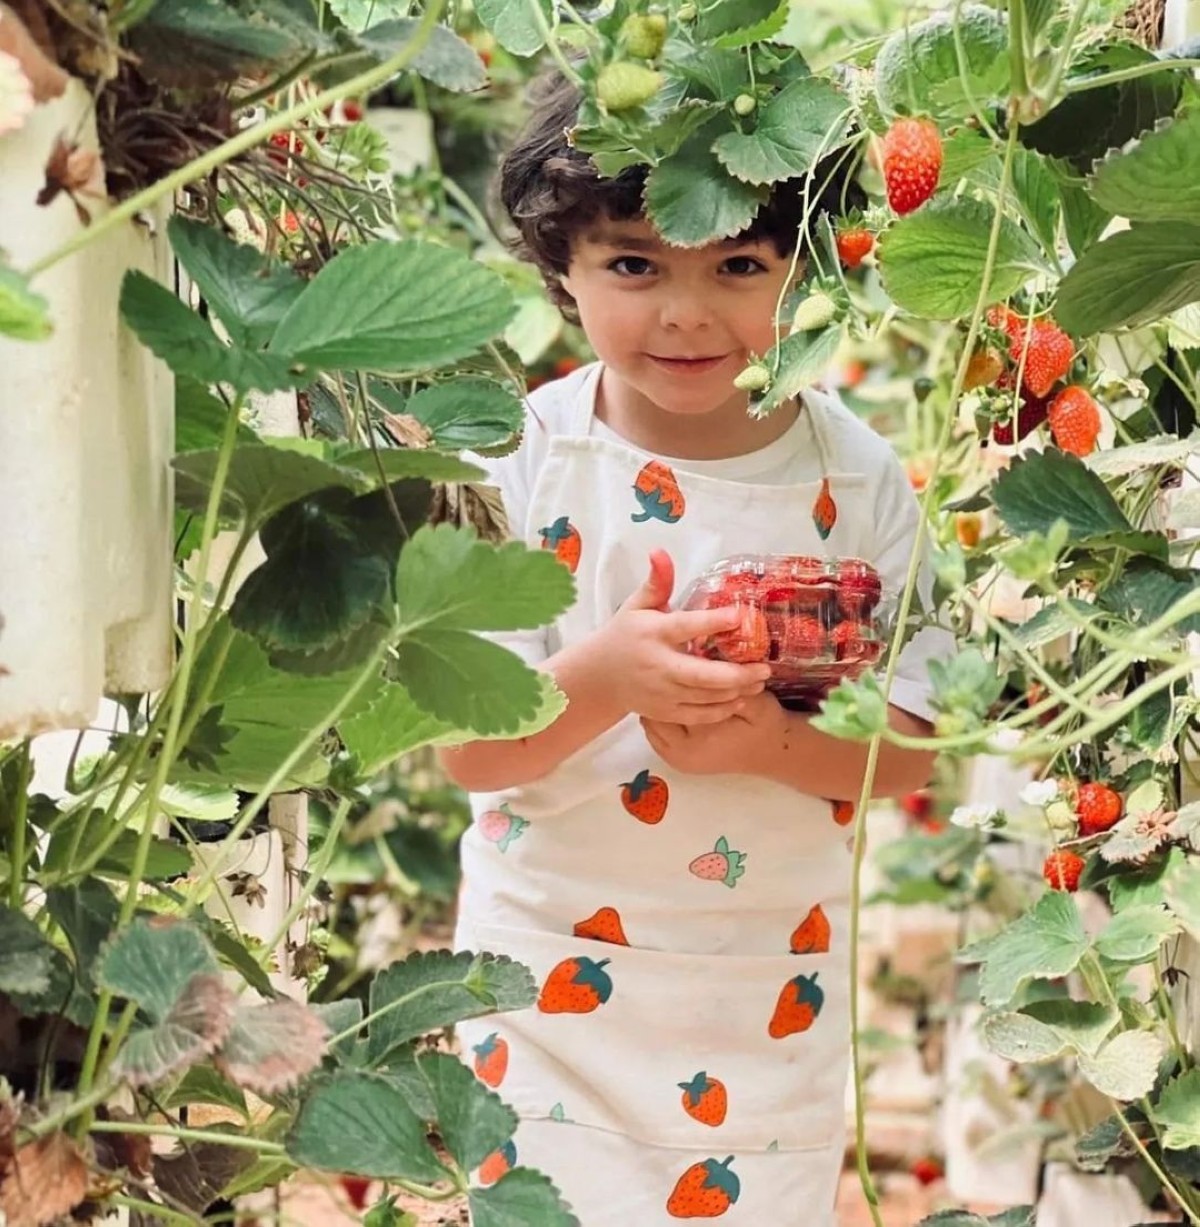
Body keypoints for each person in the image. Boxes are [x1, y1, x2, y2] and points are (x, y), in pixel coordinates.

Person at [438, 69, 949, 1226]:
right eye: (634, 264)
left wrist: (772, 743)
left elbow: (913, 750)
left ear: (805, 268)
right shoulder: (522, 462)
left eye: (738, 267)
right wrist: (603, 677)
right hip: (544, 978)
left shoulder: (856, 476)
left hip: (765, 986)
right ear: (558, 267)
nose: (685, 312)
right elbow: (469, 748)